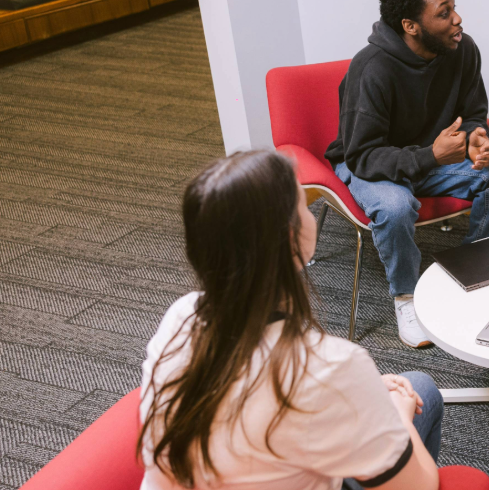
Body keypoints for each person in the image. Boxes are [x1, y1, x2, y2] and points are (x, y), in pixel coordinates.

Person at [138, 151, 445, 490]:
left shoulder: (181, 316)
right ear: (291, 236)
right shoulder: (331, 365)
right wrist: (396, 415)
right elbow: (419, 486)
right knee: (420, 390)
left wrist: (361, 393)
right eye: (304, 204)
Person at [325, 0, 489, 348]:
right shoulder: (372, 69)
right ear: (410, 26)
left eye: (454, 7)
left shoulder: (462, 50)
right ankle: (406, 298)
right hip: (372, 162)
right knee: (396, 207)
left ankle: (473, 269)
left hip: (433, 156)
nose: (457, 19)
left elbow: (473, 113)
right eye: (444, 13)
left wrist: (475, 138)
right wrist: (431, 156)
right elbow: (362, 154)